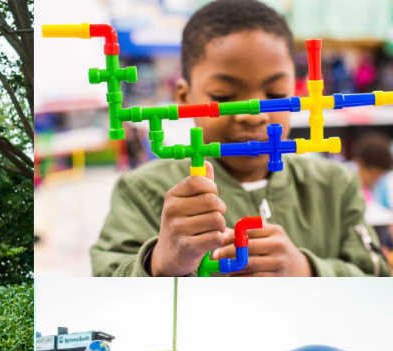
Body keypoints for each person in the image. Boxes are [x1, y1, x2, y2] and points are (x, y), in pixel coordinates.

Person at [90, 0, 388, 277]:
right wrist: (160, 261)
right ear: (184, 97)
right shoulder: (141, 191)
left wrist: (307, 269)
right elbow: (107, 276)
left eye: (275, 95)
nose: (254, 114)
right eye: (224, 96)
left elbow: (378, 275)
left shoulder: (336, 185)